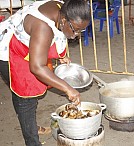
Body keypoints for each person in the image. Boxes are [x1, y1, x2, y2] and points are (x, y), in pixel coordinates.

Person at [0, 0, 91, 145]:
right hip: (8, 51)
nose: (77, 35)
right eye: (76, 30)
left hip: (25, 47)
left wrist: (61, 54)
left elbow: (55, 34)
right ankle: (32, 139)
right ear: (63, 20)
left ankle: (30, 126)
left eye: (82, 30)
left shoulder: (62, 8)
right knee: (25, 98)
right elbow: (37, 68)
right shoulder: (42, 28)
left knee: (26, 95)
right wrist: (68, 89)